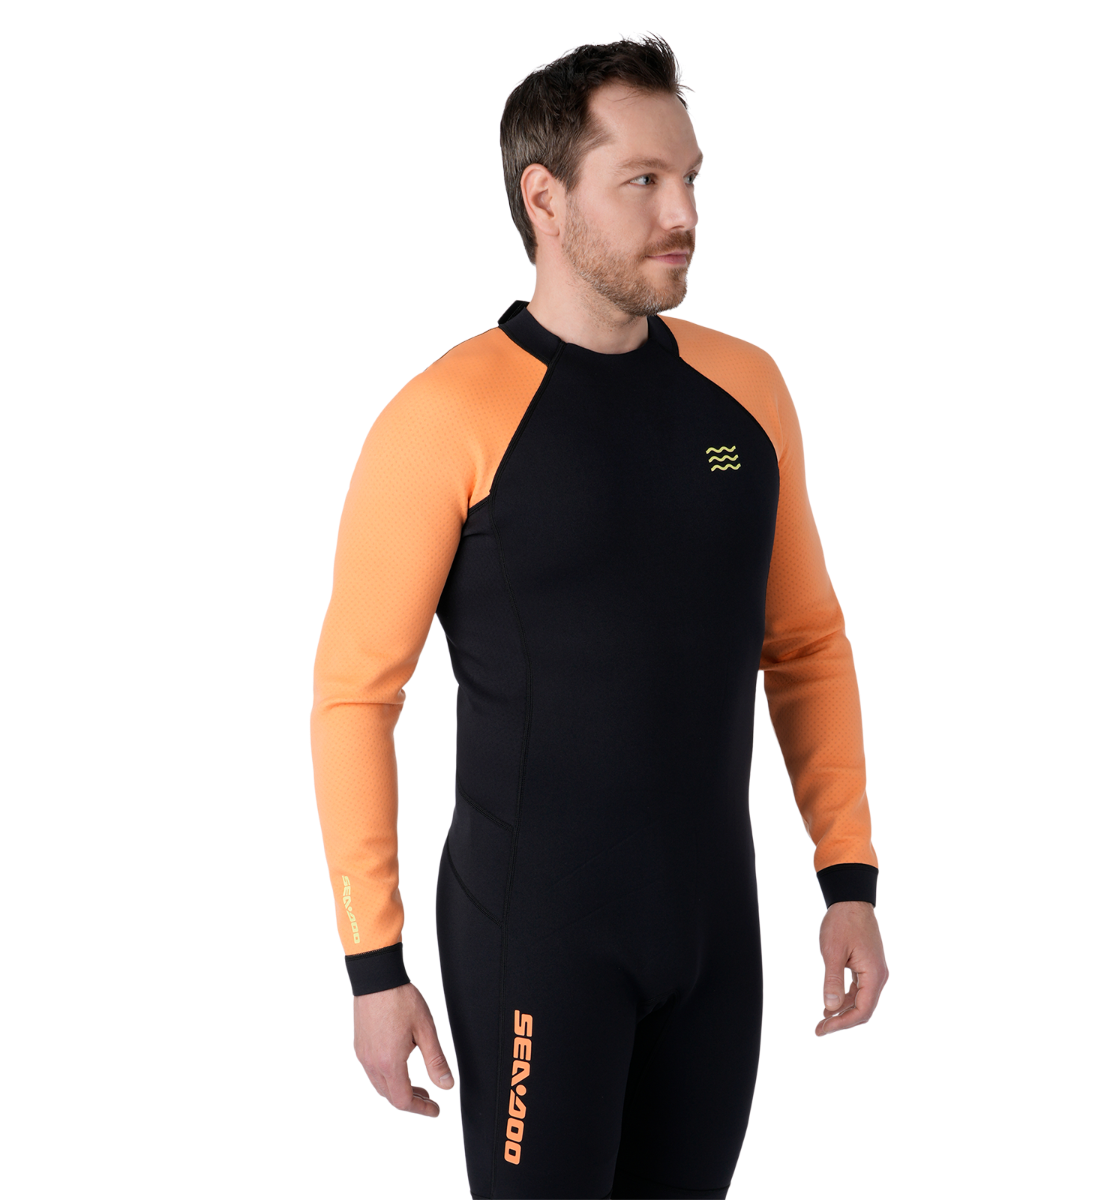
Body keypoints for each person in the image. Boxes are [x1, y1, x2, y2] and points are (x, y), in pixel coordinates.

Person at [309, 31, 888, 1200]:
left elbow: (806, 644)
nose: (685, 213)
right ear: (545, 197)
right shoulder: (444, 415)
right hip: (536, 942)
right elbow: (355, 699)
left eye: (692, 178)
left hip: (717, 941)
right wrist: (374, 966)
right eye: (643, 180)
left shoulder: (749, 387)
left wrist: (850, 877)